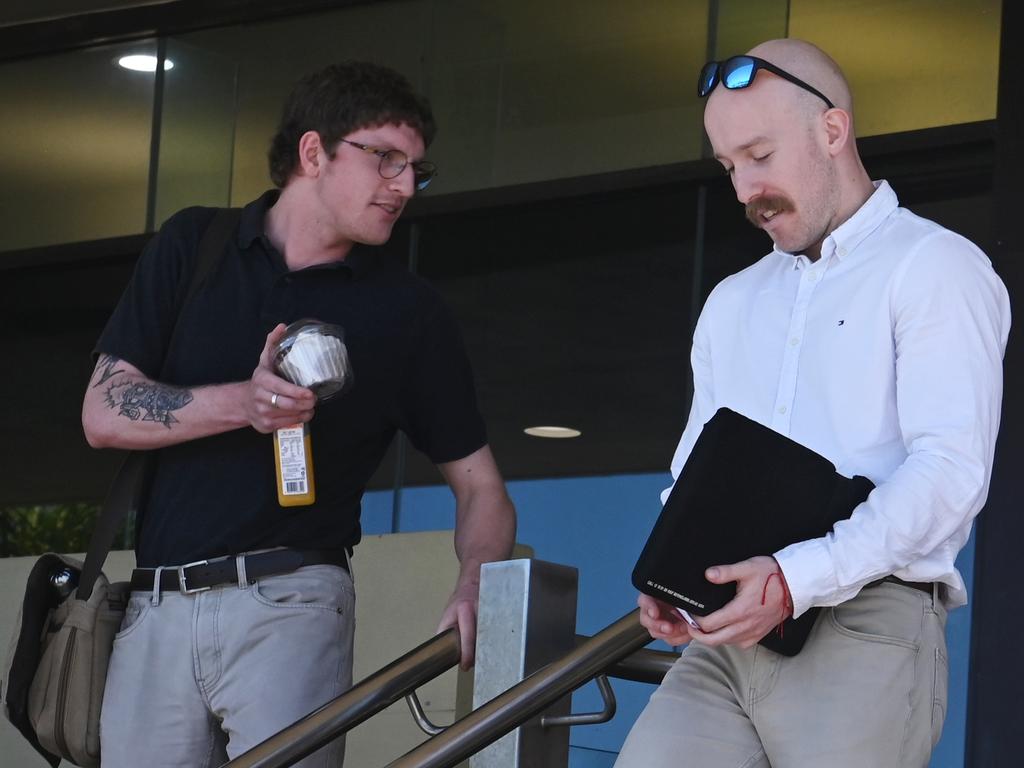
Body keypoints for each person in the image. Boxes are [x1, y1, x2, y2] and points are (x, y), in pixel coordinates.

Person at [81, 61, 515, 768]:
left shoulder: (407, 310)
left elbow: (483, 488)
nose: (404, 186)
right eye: (385, 160)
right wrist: (241, 404)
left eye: (415, 170)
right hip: (156, 601)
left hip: (292, 598)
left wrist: (478, 583)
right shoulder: (195, 245)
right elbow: (102, 411)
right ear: (314, 153)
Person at [615, 38, 1010, 768]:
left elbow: (950, 471)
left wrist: (797, 579)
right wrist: (673, 569)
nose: (743, 189)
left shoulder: (936, 267)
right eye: (729, 166)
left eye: (760, 155)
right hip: (726, 637)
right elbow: (694, 474)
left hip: (864, 624)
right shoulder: (731, 302)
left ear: (833, 130)